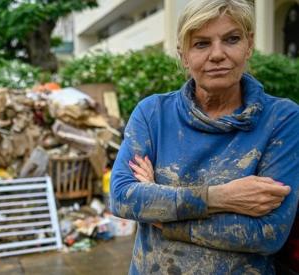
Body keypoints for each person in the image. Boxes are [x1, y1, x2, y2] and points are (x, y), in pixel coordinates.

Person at [110, 0, 299, 274]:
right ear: (184, 55)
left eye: (231, 39)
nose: (217, 54)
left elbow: (267, 234)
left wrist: (161, 214)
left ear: (249, 45)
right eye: (201, 43)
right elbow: (122, 198)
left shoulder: (281, 118)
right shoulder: (153, 113)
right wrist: (220, 197)